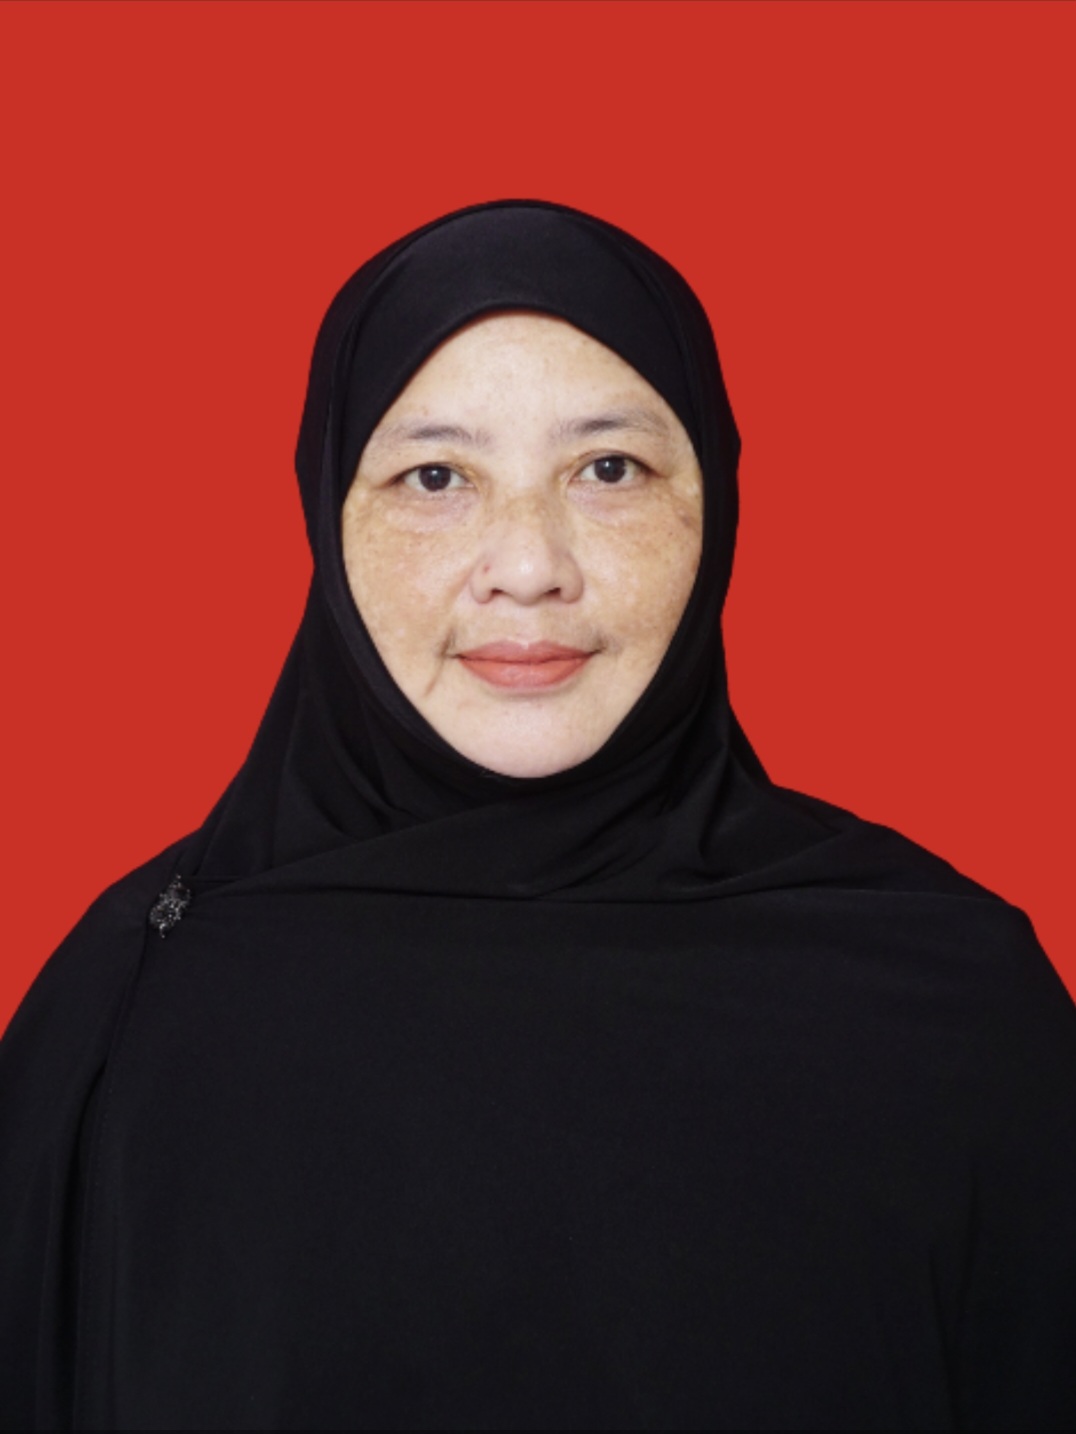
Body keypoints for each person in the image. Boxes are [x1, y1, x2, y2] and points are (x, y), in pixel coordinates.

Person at [2, 200, 1074, 1431]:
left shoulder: (949, 1011)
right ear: (327, 514)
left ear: (715, 503)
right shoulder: (137, 1007)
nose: (528, 566)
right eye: (435, 478)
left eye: (607, 470)